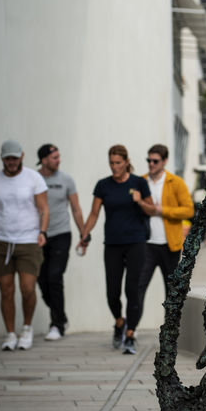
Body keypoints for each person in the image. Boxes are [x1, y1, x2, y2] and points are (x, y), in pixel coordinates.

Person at [0, 140, 50, 351]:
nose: (12, 162)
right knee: (6, 290)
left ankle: (26, 328)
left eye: (15, 158)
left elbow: (44, 208)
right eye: (8, 158)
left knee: (27, 288)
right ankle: (10, 333)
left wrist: (42, 231)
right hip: (1, 241)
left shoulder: (33, 178)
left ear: (22, 156)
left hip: (28, 241)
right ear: (2, 158)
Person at [80, 145, 152, 355]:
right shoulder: (103, 185)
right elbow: (94, 214)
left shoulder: (139, 183)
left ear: (126, 162)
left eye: (118, 163)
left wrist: (140, 201)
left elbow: (151, 209)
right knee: (112, 292)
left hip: (136, 242)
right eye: (111, 163)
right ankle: (120, 322)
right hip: (112, 244)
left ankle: (130, 334)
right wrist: (84, 234)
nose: (114, 167)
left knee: (132, 290)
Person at [36, 143, 86, 341]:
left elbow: (76, 209)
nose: (59, 160)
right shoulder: (33, 179)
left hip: (61, 234)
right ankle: (61, 316)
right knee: (42, 281)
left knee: (54, 276)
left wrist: (83, 234)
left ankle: (56, 325)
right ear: (44, 160)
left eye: (59, 156)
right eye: (54, 157)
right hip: (38, 236)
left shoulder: (66, 180)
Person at [139, 144, 194, 308]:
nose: (151, 164)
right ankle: (131, 324)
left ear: (164, 161)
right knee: (138, 288)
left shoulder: (175, 182)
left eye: (155, 161)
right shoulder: (141, 182)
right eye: (149, 160)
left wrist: (163, 210)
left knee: (171, 292)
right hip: (146, 245)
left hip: (170, 246)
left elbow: (189, 210)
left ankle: (170, 325)